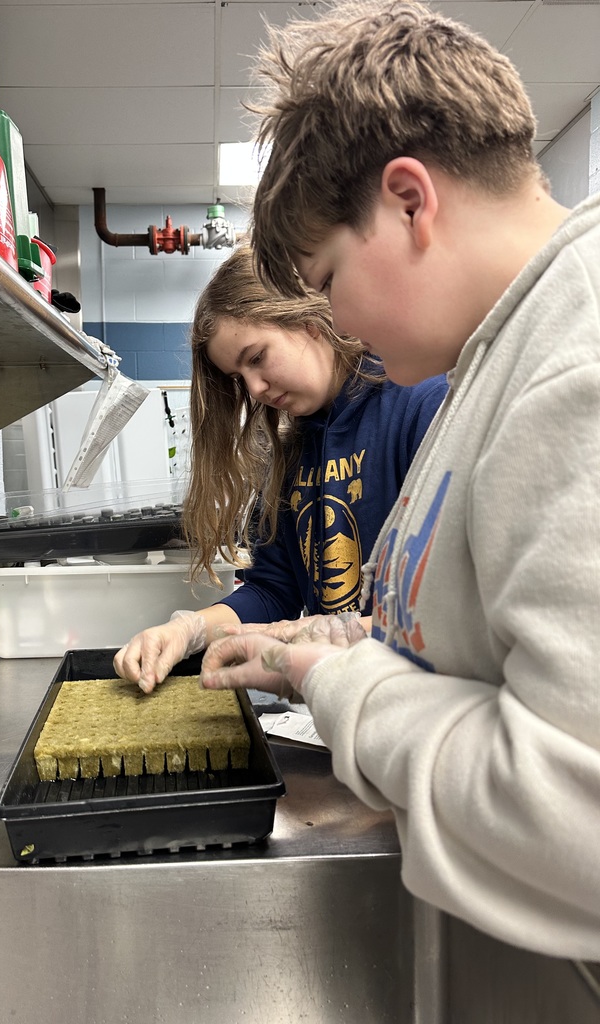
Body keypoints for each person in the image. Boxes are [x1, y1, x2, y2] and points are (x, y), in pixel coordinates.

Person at [199, 0, 600, 960]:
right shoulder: (490, 358)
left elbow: (572, 817)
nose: (337, 319)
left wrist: (335, 683)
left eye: (329, 279)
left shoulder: (576, 357)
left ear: (410, 200)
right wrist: (301, 647)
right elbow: (443, 644)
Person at [114, 243, 447, 691]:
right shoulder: (289, 447)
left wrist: (313, 635)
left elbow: (448, 612)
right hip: (338, 697)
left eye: (256, 358)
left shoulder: (419, 403)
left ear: (308, 321)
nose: (254, 389)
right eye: (239, 378)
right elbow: (273, 591)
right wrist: (186, 631)